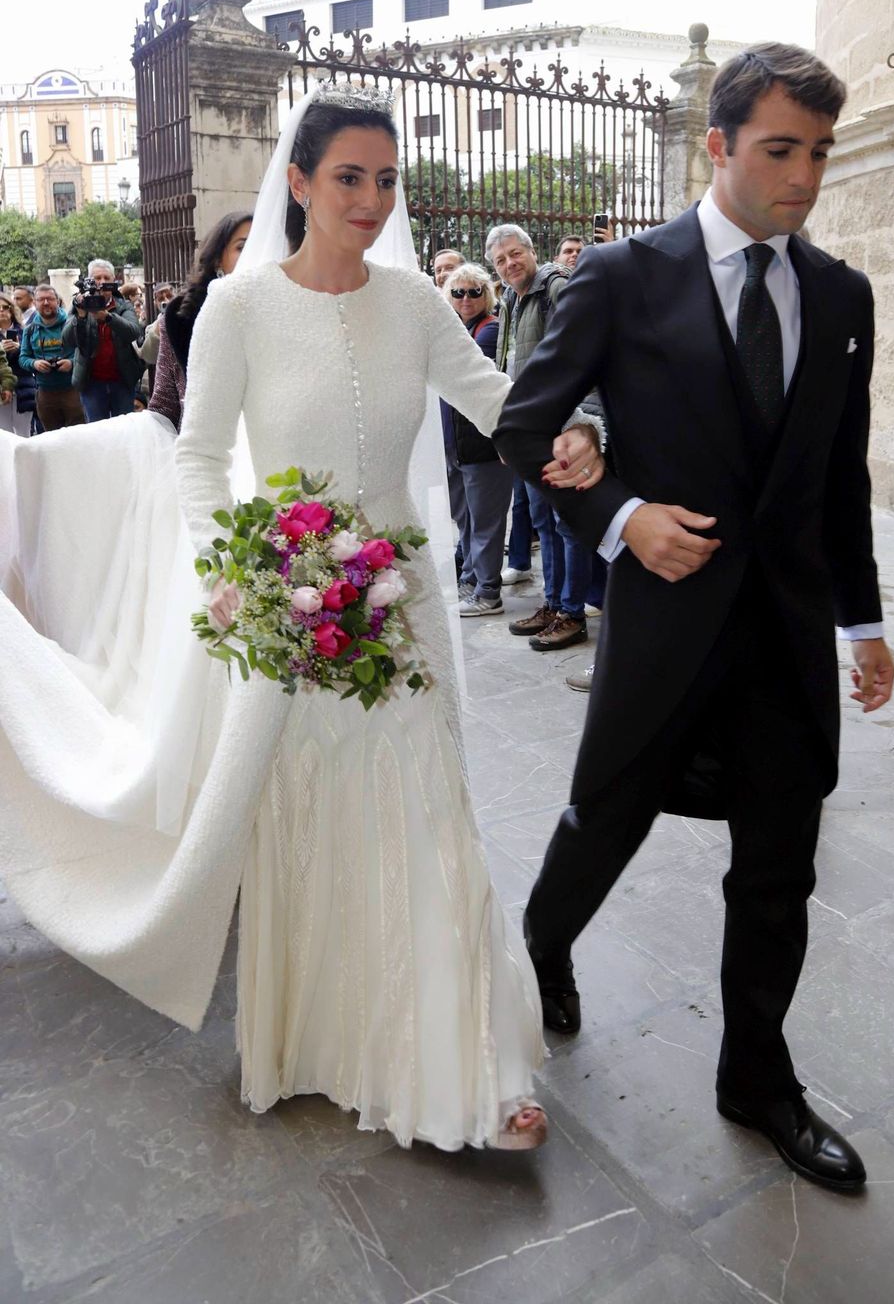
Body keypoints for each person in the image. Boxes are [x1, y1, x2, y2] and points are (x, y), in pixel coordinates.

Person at [0, 83, 602, 1159]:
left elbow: (493, 395)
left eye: (384, 180)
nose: (370, 200)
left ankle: (459, 1056)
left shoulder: (415, 300)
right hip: (286, 597)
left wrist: (572, 434)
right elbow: (195, 456)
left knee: (422, 805)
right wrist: (232, 573)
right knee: (307, 814)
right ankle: (323, 1041)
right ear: (300, 182)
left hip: (397, 598)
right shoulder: (240, 307)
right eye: (347, 178)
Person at [494, 42, 894, 1193]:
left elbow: (839, 476)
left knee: (779, 866)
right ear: (715, 146)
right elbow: (525, 428)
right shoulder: (622, 275)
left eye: (819, 151)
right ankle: (544, 945)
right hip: (662, 625)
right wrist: (621, 518)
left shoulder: (840, 295)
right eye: (780, 150)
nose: (805, 177)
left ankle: (757, 1079)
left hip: (784, 637)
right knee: (602, 821)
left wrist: (861, 623)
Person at [490, 224, 592, 652]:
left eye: (516, 254)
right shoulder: (511, 299)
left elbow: (579, 353)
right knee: (543, 523)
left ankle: (572, 612)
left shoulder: (555, 286)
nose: (510, 264)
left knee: (569, 525)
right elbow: (505, 367)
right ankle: (552, 604)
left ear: (532, 252)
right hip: (529, 430)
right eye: (500, 260)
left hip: (561, 426)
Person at [440, 263, 514, 617]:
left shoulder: (488, 330)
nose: (466, 298)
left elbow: (463, 375)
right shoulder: (457, 329)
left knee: (485, 522)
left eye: (474, 291)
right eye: (458, 292)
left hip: (483, 444)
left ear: (487, 295)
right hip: (458, 446)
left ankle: (488, 591)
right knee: (466, 518)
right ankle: (471, 578)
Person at [148, 213, 252, 431]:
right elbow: (164, 401)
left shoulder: (278, 306)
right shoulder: (181, 315)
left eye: (259, 240)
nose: (253, 252)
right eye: (242, 247)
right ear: (217, 259)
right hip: (205, 438)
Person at [65, 260, 144, 421]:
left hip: (122, 380)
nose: (101, 282)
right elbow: (67, 340)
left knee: (122, 430)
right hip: (91, 383)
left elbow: (133, 332)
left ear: (113, 281)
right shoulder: (80, 304)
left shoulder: (124, 306)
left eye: (106, 278)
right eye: (97, 278)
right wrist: (80, 316)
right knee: (97, 432)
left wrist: (108, 317)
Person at [19, 285, 82, 430]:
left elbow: (85, 352)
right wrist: (35, 364)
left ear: (58, 301)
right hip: (45, 392)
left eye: (50, 299)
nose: (46, 303)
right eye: (41, 300)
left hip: (72, 389)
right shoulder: (30, 329)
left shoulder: (72, 324)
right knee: (51, 438)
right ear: (34, 303)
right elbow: (23, 358)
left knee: (78, 435)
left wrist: (71, 363)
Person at [0, 295, 35, 436]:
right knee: (4, 433)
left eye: (5, 307)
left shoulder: (25, 331)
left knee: (24, 433)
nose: (1, 311)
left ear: (12, 310)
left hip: (24, 387)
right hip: (2, 387)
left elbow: (35, 358)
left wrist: (20, 348)